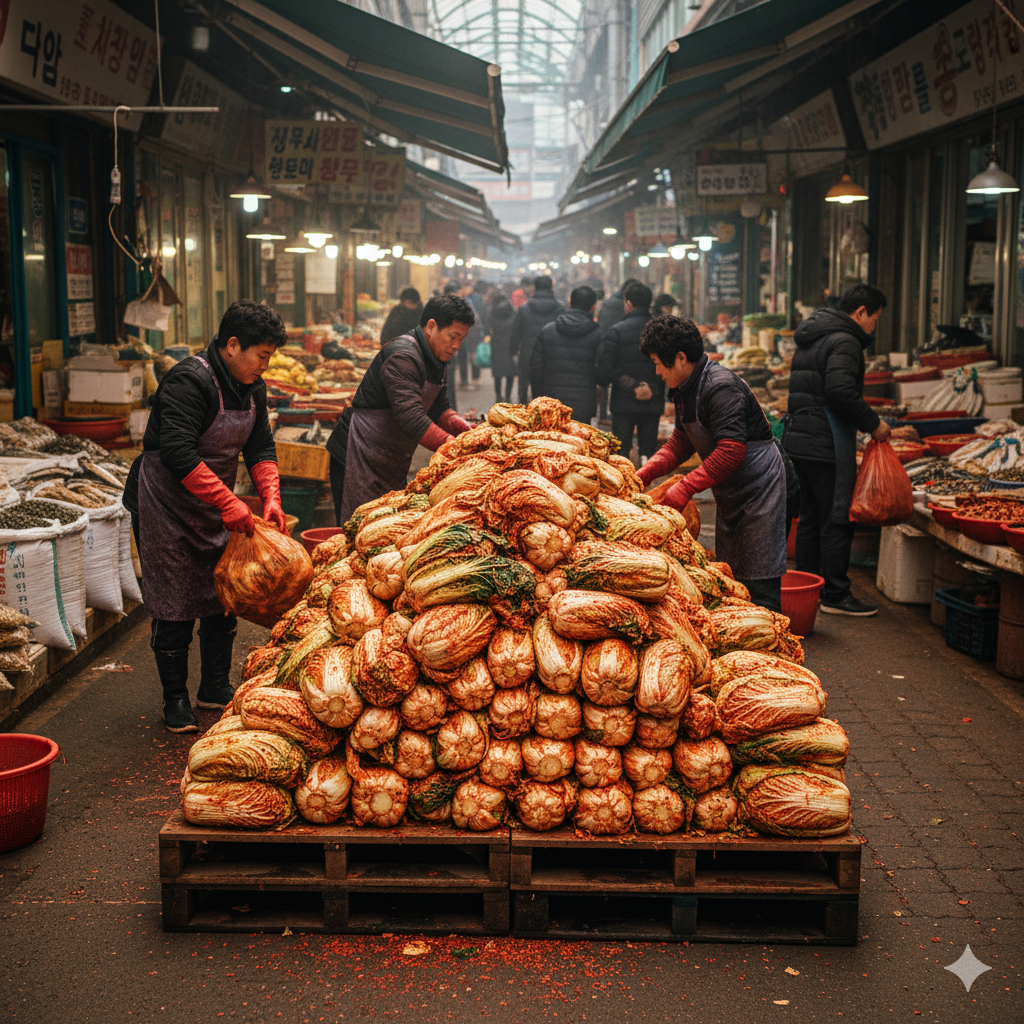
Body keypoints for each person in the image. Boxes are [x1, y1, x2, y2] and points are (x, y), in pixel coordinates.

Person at [123, 299, 287, 734]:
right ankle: (175, 700)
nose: (265, 367)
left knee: (223, 593)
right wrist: (229, 502)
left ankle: (215, 686)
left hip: (214, 505)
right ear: (233, 345)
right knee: (173, 603)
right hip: (166, 504)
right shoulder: (188, 380)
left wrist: (269, 495)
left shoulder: (252, 386)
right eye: (262, 356)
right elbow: (177, 452)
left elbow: (260, 447)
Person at [637, 315, 787, 611]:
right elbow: (682, 441)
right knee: (732, 574)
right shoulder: (685, 387)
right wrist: (647, 471)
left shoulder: (720, 386)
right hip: (730, 488)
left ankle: (773, 641)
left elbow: (731, 451)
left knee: (760, 575)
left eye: (658, 363)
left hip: (758, 485)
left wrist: (684, 487)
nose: (656, 371)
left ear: (680, 358)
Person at [783, 283, 891, 617]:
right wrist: (874, 424)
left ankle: (810, 588)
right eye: (875, 318)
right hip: (824, 441)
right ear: (860, 312)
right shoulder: (845, 340)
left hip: (800, 437)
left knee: (811, 518)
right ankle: (836, 594)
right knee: (836, 518)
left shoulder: (814, 334)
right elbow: (841, 392)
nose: (874, 325)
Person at [327, 293, 475, 526]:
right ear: (431, 326)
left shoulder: (437, 358)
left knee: (383, 529)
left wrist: (465, 430)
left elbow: (439, 407)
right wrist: (455, 447)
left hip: (389, 457)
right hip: (357, 455)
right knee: (357, 532)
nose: (456, 346)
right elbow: (412, 418)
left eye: (462, 339)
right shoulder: (403, 355)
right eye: (453, 337)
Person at [595, 280, 663, 464]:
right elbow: (669, 364)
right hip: (653, 402)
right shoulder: (662, 331)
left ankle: (624, 488)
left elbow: (606, 368)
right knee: (648, 451)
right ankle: (648, 487)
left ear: (629, 303)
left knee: (621, 451)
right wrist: (653, 388)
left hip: (623, 402)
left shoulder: (616, 332)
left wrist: (631, 385)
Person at [529, 285, 602, 423]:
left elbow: (535, 370)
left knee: (552, 441)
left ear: (569, 303)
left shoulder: (547, 331)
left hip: (551, 404)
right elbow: (602, 373)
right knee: (578, 443)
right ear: (593, 307)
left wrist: (539, 400)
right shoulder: (597, 335)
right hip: (583, 405)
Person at [510, 274, 563, 405]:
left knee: (524, 386)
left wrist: (513, 352)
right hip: (553, 356)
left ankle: (523, 417)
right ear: (552, 287)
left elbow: (515, 334)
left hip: (528, 354)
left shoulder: (524, 310)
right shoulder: (560, 309)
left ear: (534, 288)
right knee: (549, 393)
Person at [486, 283, 517, 403]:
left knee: (497, 374)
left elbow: (489, 330)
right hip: (510, 347)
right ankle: (508, 396)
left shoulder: (492, 315)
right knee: (510, 373)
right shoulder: (513, 315)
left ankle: (498, 396)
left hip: (496, 346)